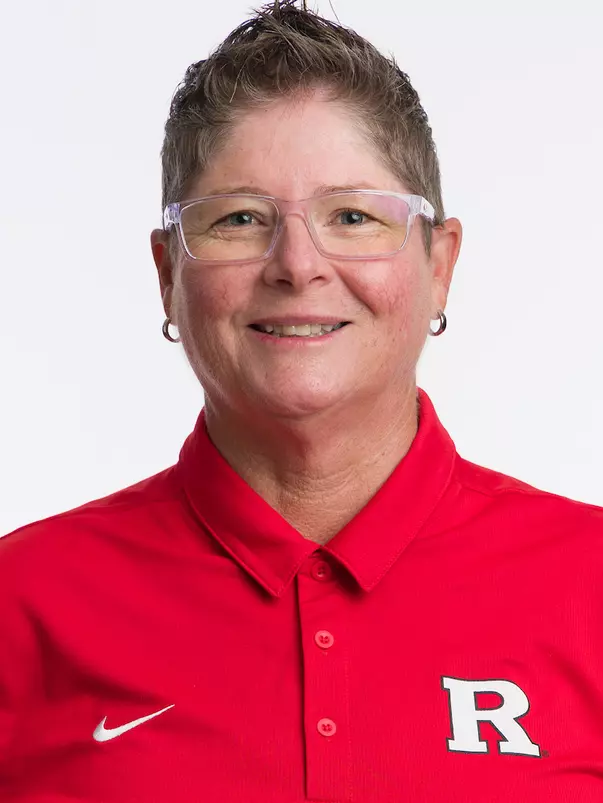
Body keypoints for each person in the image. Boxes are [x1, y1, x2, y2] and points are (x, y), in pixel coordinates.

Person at [1, 1, 603, 800]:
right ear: (169, 275)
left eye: (351, 216)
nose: (296, 264)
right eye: (240, 218)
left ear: (439, 265)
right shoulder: (22, 602)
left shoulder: (588, 584)